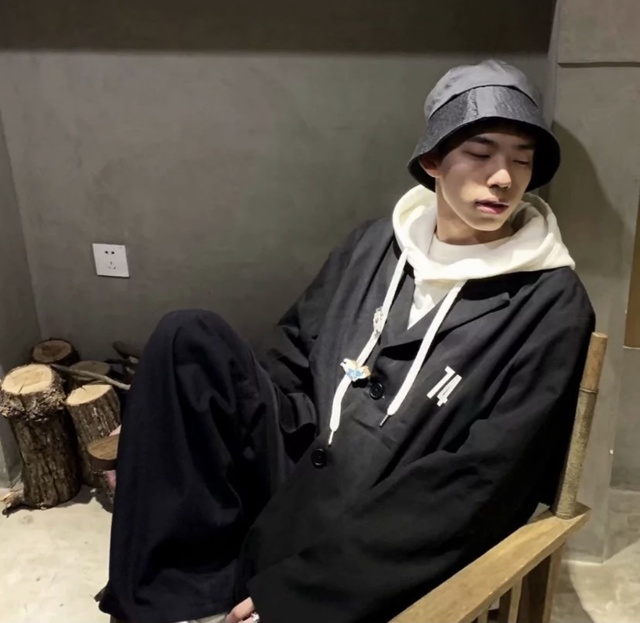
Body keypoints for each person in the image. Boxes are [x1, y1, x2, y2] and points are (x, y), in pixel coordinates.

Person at [99, 59, 595, 623]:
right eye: (481, 154)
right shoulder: (375, 245)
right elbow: (290, 353)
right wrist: (175, 434)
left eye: (522, 160)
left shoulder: (552, 303)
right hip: (305, 467)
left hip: (387, 518)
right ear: (432, 161)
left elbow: (485, 479)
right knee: (186, 339)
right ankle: (167, 602)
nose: (504, 178)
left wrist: (305, 593)